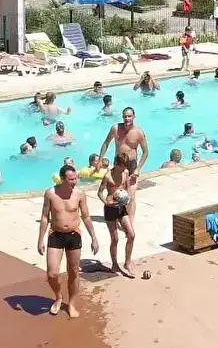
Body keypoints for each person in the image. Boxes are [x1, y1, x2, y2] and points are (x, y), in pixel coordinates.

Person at [38, 164, 99, 318]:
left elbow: (86, 216)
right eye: (71, 179)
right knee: (52, 273)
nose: (75, 181)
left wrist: (94, 237)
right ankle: (58, 297)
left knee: (74, 271)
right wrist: (40, 239)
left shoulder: (80, 194)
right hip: (56, 234)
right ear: (62, 179)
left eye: (75, 178)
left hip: (74, 234)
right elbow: (45, 217)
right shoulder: (50, 194)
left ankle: (71, 303)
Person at [99, 155, 139, 278]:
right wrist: (107, 203)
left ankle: (127, 263)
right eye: (122, 166)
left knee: (131, 234)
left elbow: (128, 187)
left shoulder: (125, 172)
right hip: (110, 208)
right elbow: (99, 192)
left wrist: (129, 198)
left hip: (121, 207)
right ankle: (115, 265)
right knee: (115, 239)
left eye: (125, 166)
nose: (123, 169)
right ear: (116, 164)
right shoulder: (108, 176)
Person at [98, 106, 151, 173]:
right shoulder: (115, 129)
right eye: (125, 116)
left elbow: (145, 152)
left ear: (134, 116)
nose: (127, 118)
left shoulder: (139, 132)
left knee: (131, 180)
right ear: (122, 117)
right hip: (118, 161)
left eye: (129, 116)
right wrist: (100, 160)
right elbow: (106, 143)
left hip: (131, 163)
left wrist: (138, 169)